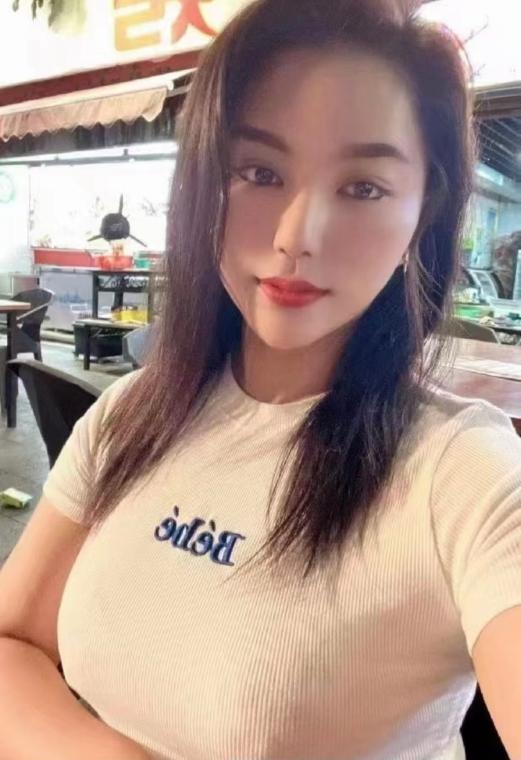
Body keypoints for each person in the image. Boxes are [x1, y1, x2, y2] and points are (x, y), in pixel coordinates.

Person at [1, 1, 520, 759]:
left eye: (363, 187)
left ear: (423, 210)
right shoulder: (135, 412)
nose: (295, 236)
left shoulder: (462, 471)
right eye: (260, 173)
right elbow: (11, 641)